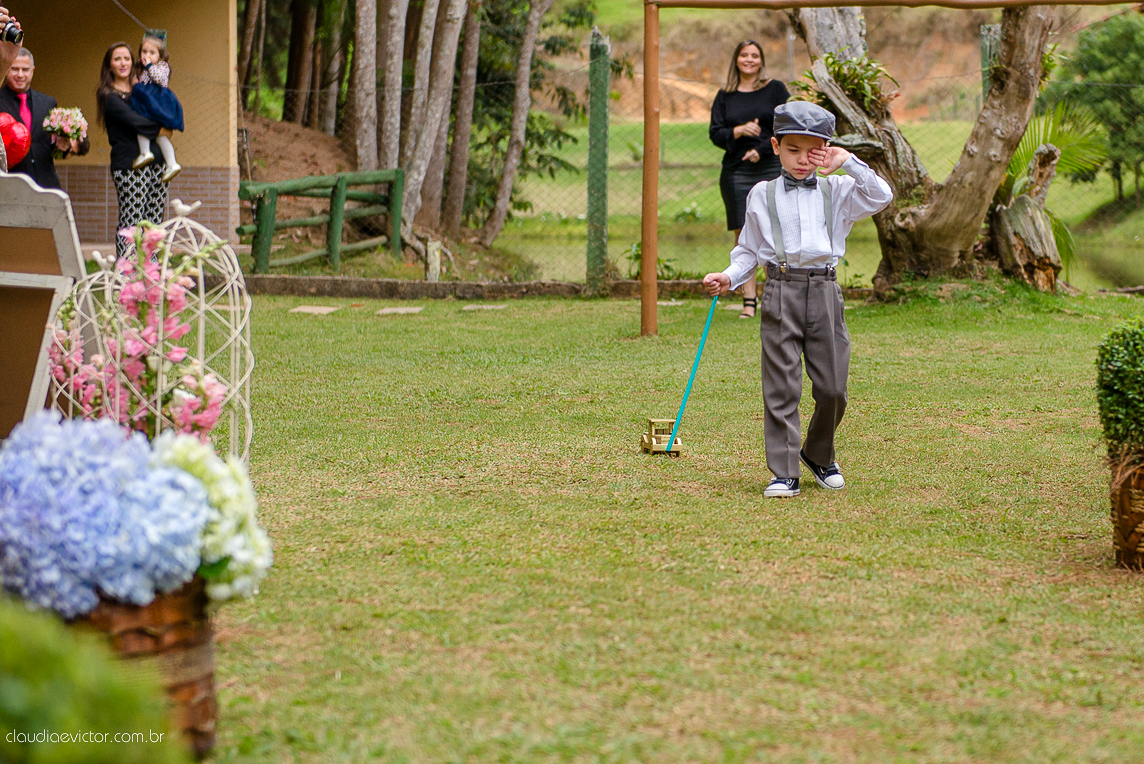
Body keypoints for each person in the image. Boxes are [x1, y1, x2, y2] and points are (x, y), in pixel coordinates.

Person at [702, 102, 893, 498]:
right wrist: (729, 277)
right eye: (793, 150)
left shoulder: (838, 190)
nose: (803, 159)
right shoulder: (762, 194)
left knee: (834, 388)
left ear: (826, 149)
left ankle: (818, 454)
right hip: (780, 290)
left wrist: (847, 162)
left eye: (814, 150)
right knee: (782, 386)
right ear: (775, 146)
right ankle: (784, 471)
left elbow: (882, 196)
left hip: (825, 291)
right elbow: (749, 250)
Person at [709, 40, 788, 319]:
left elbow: (786, 125)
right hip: (736, 171)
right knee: (743, 235)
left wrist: (762, 149)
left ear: (761, 60)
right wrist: (739, 131)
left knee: (775, 232)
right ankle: (749, 301)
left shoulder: (775, 89)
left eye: (755, 55)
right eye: (744, 55)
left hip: (770, 167)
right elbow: (715, 133)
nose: (749, 59)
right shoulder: (725, 95)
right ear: (736, 59)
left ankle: (777, 298)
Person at [96, 41, 167, 259]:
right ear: (109, 65)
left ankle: (150, 271)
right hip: (129, 165)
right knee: (132, 221)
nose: (123, 63)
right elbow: (136, 121)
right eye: (117, 59)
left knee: (153, 222)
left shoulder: (142, 88)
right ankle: (126, 273)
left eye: (126, 58)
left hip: (158, 162)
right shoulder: (109, 96)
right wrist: (163, 126)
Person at [0, 48, 86, 189]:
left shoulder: (48, 102)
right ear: (7, 69)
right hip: (11, 185)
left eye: (25, 69)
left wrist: (63, 144)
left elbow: (50, 147)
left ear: (32, 71)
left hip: (46, 183)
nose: (20, 74)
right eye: (15, 69)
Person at [130, 31, 183, 183]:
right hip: (147, 103)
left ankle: (170, 162)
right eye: (144, 52)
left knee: (155, 132)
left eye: (152, 53)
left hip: (157, 103)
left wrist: (149, 65)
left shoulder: (162, 66)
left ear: (161, 56)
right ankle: (147, 153)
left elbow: (159, 78)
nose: (147, 55)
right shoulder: (140, 70)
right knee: (147, 129)